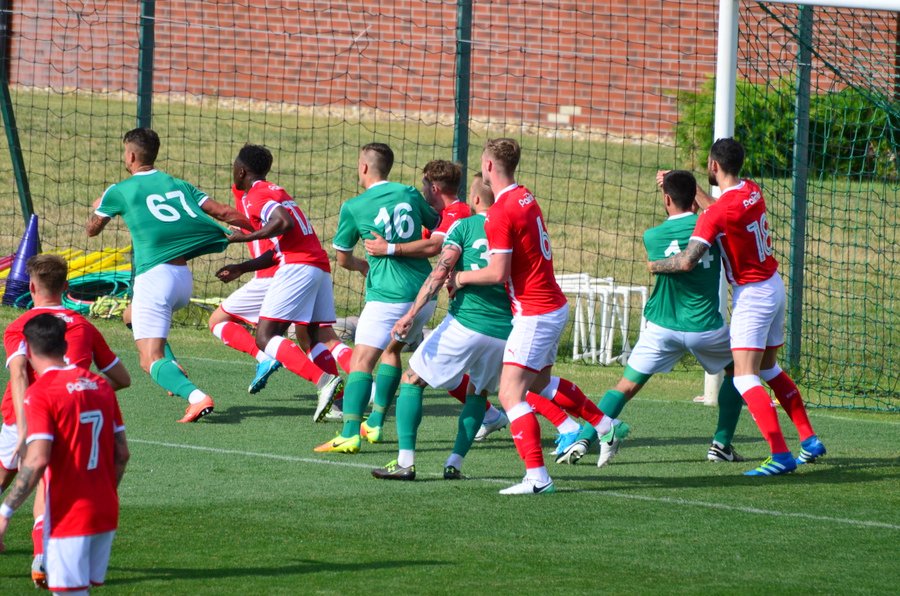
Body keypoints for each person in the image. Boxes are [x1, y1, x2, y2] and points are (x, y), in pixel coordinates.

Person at [448, 138, 619, 494]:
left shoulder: (499, 213)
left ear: (490, 166)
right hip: (550, 305)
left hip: (535, 311)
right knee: (539, 384)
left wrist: (460, 277)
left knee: (511, 394)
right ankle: (605, 427)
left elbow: (497, 273)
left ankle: (538, 478)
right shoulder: (525, 196)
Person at [648, 138, 826, 476]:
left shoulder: (714, 214)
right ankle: (809, 439)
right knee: (769, 370)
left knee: (744, 378)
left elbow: (687, 261)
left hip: (752, 296)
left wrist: (655, 265)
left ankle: (780, 455)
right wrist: (693, 187)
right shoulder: (751, 190)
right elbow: (718, 208)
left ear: (714, 166)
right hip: (774, 286)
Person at [558, 170, 745, 466]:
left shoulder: (652, 236)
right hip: (705, 327)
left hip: (662, 327)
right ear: (695, 197)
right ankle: (721, 444)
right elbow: (713, 214)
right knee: (739, 374)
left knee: (626, 386)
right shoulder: (712, 225)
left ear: (666, 198)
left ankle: (586, 437)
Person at [87, 127, 249, 423]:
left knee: (149, 360)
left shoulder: (119, 190)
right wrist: (263, 229)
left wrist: (98, 208)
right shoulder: (178, 184)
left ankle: (196, 397)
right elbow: (224, 212)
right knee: (130, 316)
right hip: (180, 279)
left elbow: (92, 230)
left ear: (132, 155)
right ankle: (172, 364)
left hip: (154, 280)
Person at [0, 254, 130, 588]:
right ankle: (42, 556)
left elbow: (18, 374)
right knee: (48, 484)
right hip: (73, 415)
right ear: (67, 287)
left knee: (15, 477)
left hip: (24, 414)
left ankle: (37, 551)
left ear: (30, 287)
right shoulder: (84, 324)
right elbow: (121, 377)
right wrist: (84, 389)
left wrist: (25, 426)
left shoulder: (21, 326)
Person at [370, 174, 507, 480]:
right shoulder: (513, 229)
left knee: (412, 378)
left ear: (474, 200)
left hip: (467, 322)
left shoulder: (464, 226)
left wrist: (411, 313)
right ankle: (454, 463)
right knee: (478, 393)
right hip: (504, 329)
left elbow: (439, 273)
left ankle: (405, 462)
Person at [314, 143, 440, 453]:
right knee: (392, 350)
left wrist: (363, 266)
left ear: (365, 168)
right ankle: (376, 423)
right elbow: (435, 225)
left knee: (361, 360)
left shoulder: (354, 207)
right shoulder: (409, 193)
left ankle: (349, 433)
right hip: (425, 292)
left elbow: (342, 258)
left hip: (389, 297)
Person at [218, 144, 344, 422]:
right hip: (318, 266)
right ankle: (339, 404)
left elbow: (283, 222)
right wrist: (242, 267)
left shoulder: (255, 195)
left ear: (241, 171)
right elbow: (280, 244)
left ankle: (324, 382)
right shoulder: (277, 191)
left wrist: (245, 238)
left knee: (265, 337)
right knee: (311, 337)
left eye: (233, 169)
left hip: (298, 267)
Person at [207, 183, 282, 394]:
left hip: (270, 278)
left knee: (217, 321)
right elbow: (259, 227)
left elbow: (223, 212)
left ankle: (264, 358)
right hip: (297, 274)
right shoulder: (271, 195)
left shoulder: (250, 196)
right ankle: (362, 390)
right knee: (318, 339)